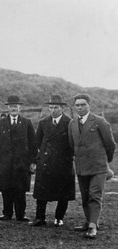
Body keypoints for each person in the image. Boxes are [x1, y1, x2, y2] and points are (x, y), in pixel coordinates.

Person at [68, 94, 116, 239]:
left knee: (95, 195)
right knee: (85, 196)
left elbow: (110, 144)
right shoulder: (72, 124)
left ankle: (92, 226)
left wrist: (105, 162)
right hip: (81, 166)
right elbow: (72, 145)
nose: (80, 107)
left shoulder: (100, 121)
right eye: (77, 105)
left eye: (83, 104)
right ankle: (89, 221)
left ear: (89, 105)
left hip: (98, 166)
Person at [29, 95, 75, 227]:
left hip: (63, 162)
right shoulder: (43, 123)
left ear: (62, 108)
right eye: (51, 107)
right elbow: (36, 143)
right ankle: (40, 218)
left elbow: (73, 143)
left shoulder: (70, 122)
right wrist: (36, 160)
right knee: (41, 192)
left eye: (56, 107)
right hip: (45, 162)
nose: (53, 110)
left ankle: (59, 218)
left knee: (63, 193)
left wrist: (69, 157)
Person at [0, 95, 36, 222]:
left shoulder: (27, 123)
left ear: (20, 107)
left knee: (20, 190)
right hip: (4, 163)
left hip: (22, 164)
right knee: (6, 188)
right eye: (11, 106)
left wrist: (33, 162)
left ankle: (21, 214)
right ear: (7, 108)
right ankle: (7, 213)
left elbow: (33, 145)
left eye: (15, 106)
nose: (13, 108)